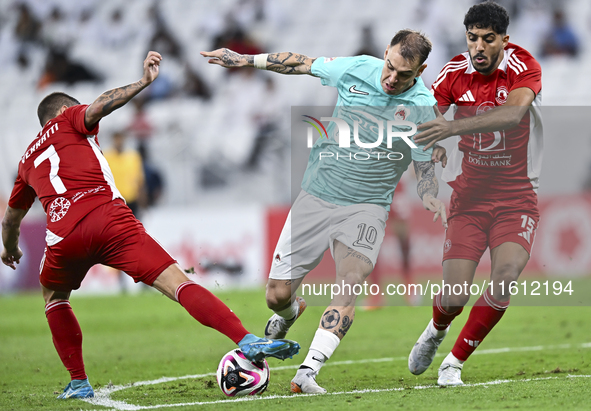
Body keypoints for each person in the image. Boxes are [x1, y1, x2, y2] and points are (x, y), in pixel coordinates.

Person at [0, 51, 299, 400]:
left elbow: (10, 218)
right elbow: (98, 107)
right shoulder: (70, 119)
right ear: (66, 110)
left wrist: (10, 248)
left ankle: (79, 381)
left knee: (54, 297)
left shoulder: (25, 160)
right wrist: (142, 83)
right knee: (176, 283)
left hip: (64, 236)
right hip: (109, 220)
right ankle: (246, 340)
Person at [201, 29, 448, 394]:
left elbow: (425, 164)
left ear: (422, 70)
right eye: (390, 67)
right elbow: (300, 63)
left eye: (404, 75)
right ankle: (292, 312)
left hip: (367, 207)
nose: (392, 79)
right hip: (316, 196)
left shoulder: (422, 106)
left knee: (349, 285)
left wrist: (429, 194)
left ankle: (307, 372)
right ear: (385, 53)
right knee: (276, 296)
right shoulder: (357, 69)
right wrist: (244, 60)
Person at [407, 1, 542, 386]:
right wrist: (434, 138)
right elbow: (429, 115)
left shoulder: (524, 66)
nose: (479, 47)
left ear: (504, 40)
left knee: (504, 276)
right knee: (453, 297)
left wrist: (451, 131)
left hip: (516, 197)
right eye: (472, 39)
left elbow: (513, 114)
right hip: (468, 200)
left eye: (488, 39)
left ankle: (454, 362)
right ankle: (435, 330)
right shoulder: (453, 72)